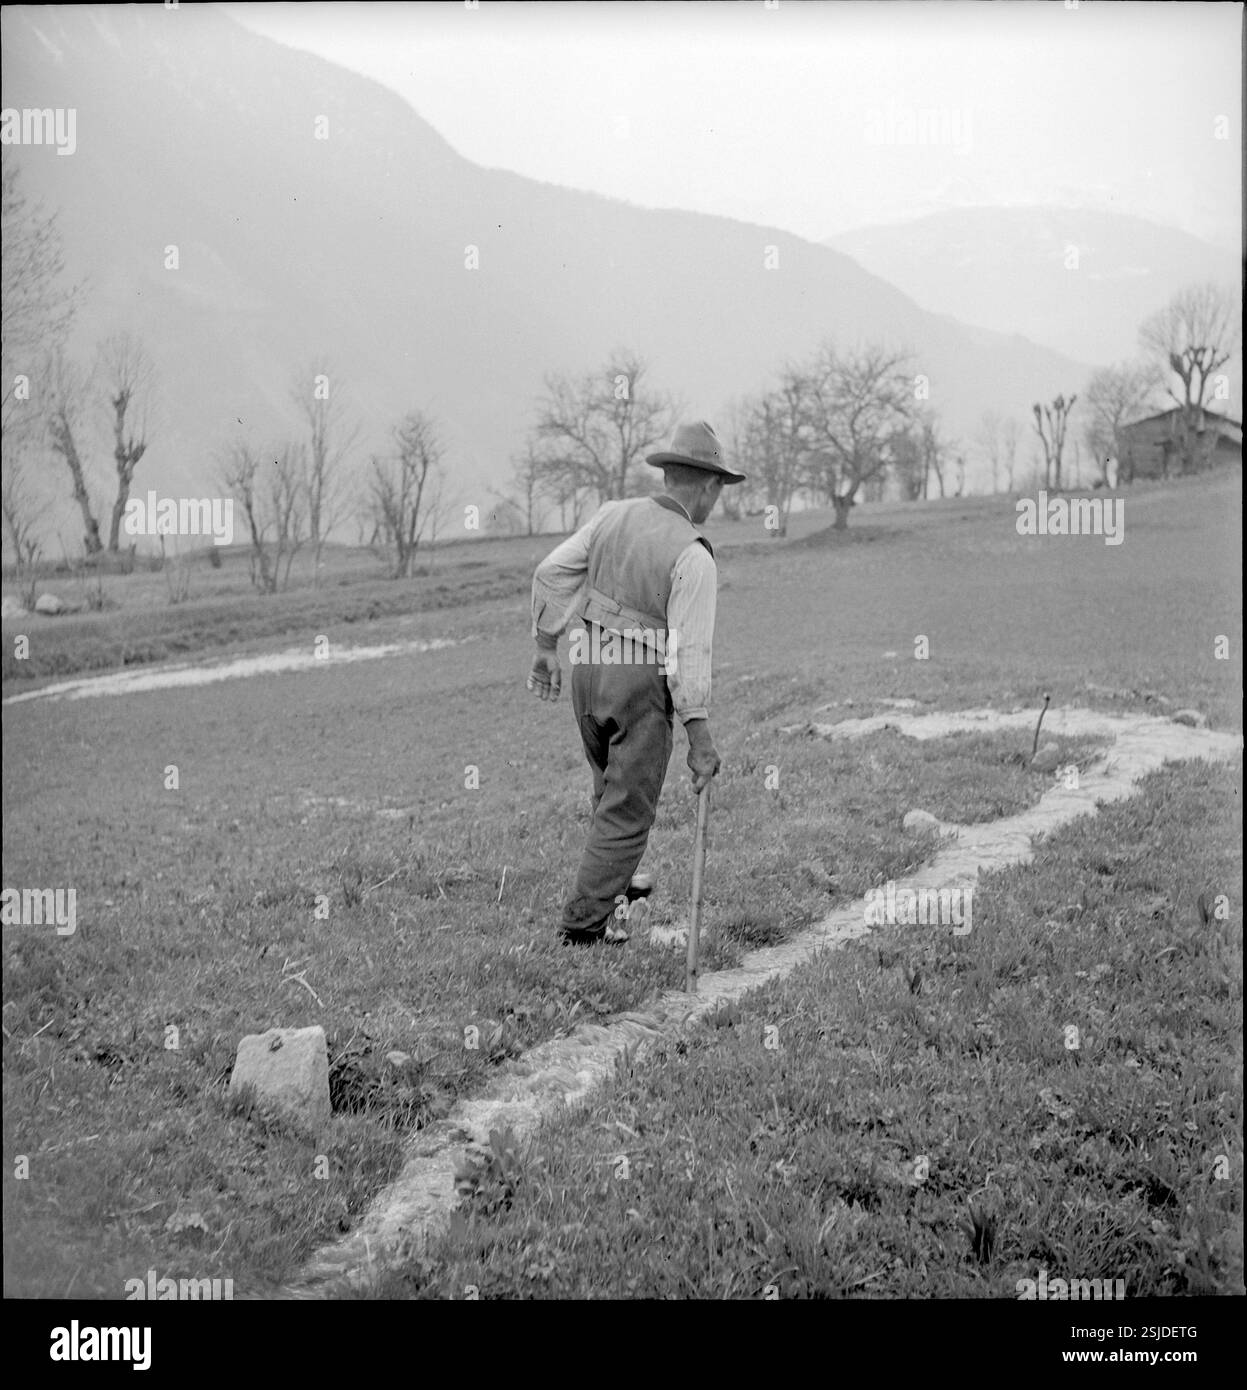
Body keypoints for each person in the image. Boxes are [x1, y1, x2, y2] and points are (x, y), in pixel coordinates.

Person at [527, 419, 746, 944]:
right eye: (720, 487)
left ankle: (617, 890)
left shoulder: (611, 515)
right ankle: (582, 929)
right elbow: (689, 654)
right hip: (636, 684)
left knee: (607, 789)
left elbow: (549, 573)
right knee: (628, 809)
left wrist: (544, 646)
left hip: (587, 672)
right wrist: (699, 736)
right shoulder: (693, 553)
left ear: (669, 472)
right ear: (710, 484)